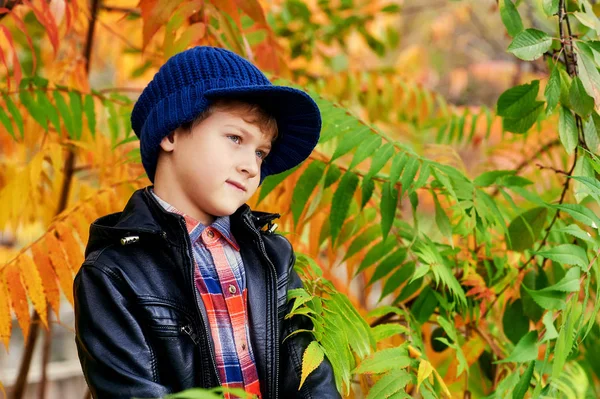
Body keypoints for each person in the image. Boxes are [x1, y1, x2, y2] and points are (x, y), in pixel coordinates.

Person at [73, 46, 340, 399]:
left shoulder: (273, 256)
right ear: (171, 133)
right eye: (235, 138)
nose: (251, 166)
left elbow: (310, 378)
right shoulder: (113, 274)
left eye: (261, 152)